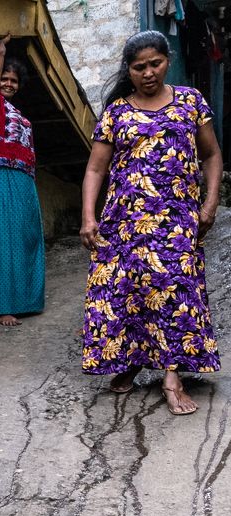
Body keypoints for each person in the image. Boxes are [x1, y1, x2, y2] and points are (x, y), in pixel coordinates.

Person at [80, 30, 221, 415]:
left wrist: (210, 204)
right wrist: (89, 216)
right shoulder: (116, 113)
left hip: (177, 220)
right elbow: (95, 169)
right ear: (129, 70)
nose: (148, 73)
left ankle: (172, 378)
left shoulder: (190, 102)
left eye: (155, 64)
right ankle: (133, 360)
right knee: (124, 292)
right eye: (139, 67)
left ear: (167, 60)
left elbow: (211, 155)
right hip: (124, 223)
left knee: (174, 292)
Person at [0, 33, 46, 327]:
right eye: (4, 78)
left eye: (13, 81)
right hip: (0, 172)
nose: (8, 83)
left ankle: (25, 300)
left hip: (24, 178)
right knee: (1, 237)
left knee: (26, 237)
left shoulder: (18, 113)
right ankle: (0, 306)